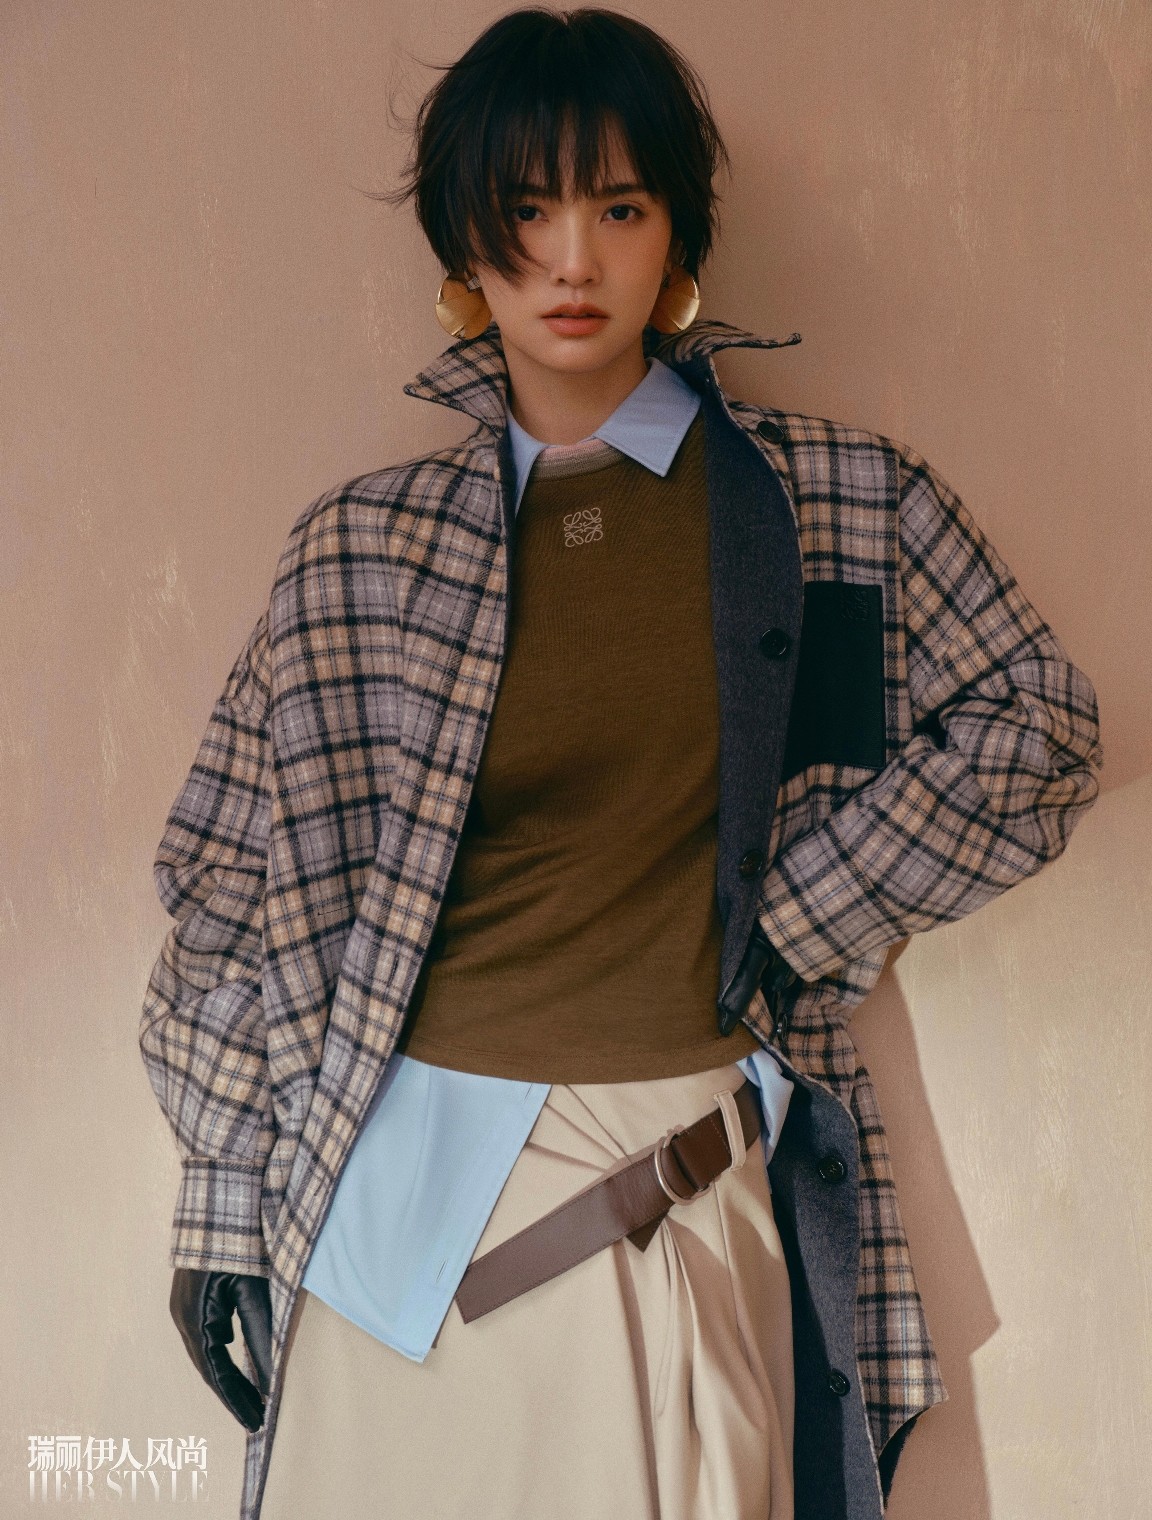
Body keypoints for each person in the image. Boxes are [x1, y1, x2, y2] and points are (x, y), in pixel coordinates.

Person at [139, 9, 1104, 1520]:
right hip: (390, 1207)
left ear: (679, 238)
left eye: (622, 207)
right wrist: (218, 1197)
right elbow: (224, 886)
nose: (574, 259)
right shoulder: (360, 548)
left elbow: (1039, 730)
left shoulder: (832, 500)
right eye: (527, 212)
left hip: (674, 1171)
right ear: (467, 245)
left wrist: (795, 911)